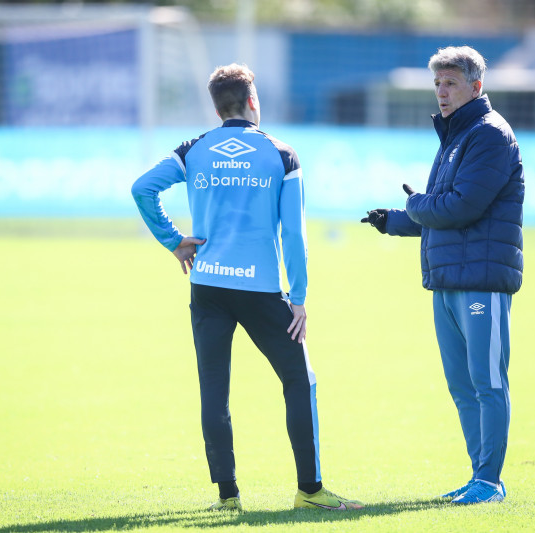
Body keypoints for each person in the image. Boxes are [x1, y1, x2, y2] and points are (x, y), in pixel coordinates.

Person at [132, 63, 363, 512]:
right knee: (300, 381)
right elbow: (293, 234)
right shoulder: (281, 154)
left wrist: (174, 241)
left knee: (214, 390)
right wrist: (299, 297)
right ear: (253, 100)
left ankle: (228, 497)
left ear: (217, 108)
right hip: (260, 290)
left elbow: (143, 189)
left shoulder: (193, 149)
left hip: (207, 286)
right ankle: (310, 491)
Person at [361, 46, 524, 505]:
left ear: (476, 86)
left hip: (481, 282)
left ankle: (490, 482)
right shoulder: (455, 137)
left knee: (488, 382)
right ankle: (478, 477)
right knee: (462, 386)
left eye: (450, 83)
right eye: (437, 83)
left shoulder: (490, 134)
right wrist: (395, 221)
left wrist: (414, 203)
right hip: (449, 281)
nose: (441, 92)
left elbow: (460, 207)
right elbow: (443, 213)